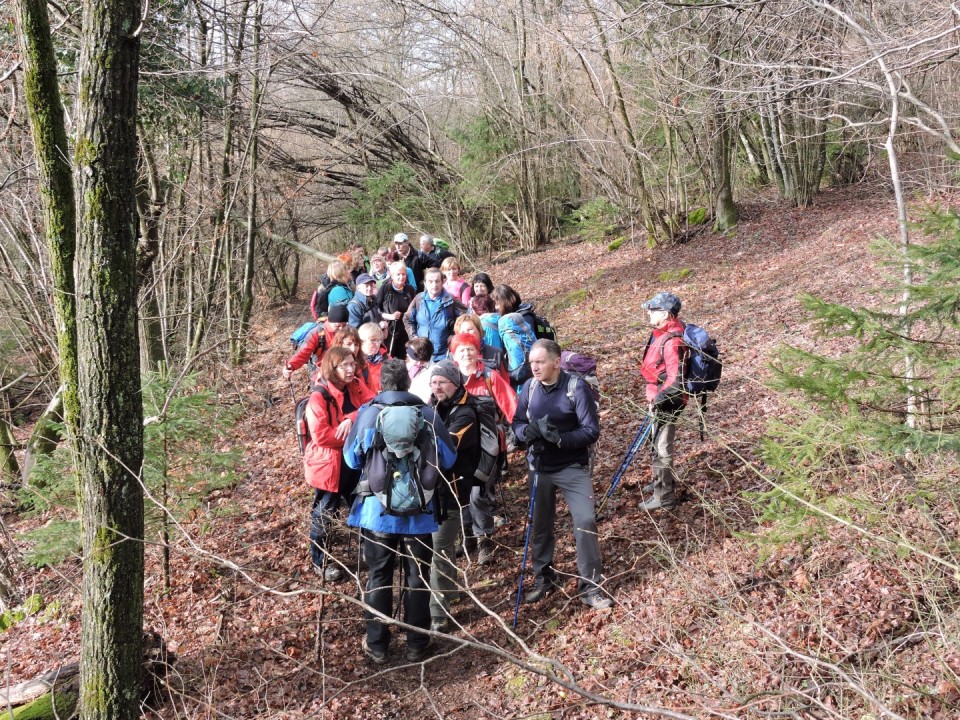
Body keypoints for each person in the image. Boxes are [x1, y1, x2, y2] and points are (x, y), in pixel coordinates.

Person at [344, 359, 457, 664]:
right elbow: (448, 458)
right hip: (419, 513)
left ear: (381, 385)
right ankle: (416, 644)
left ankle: (377, 644)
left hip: (376, 511)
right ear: (408, 384)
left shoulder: (369, 413)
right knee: (416, 576)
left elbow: (352, 460)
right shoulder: (428, 414)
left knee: (379, 574)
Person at [512, 339, 612, 610]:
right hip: (539, 467)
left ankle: (591, 586)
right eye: (532, 362)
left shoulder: (575, 388)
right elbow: (518, 422)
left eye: (540, 362)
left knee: (586, 520)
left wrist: (559, 440)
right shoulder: (529, 388)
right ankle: (544, 578)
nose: (534, 367)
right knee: (541, 526)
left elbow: (591, 431)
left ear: (556, 362)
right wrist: (526, 434)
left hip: (571, 467)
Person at [303, 346, 374, 581]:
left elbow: (371, 403)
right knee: (325, 512)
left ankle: (371, 552)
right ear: (332, 368)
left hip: (352, 458)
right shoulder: (318, 396)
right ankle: (320, 560)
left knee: (362, 503)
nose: (351, 369)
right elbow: (321, 435)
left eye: (352, 364)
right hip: (329, 463)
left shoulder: (353, 385)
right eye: (344, 365)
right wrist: (349, 433)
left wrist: (350, 419)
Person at [450, 332, 516, 564]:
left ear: (478, 351)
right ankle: (467, 536)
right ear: (453, 355)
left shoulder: (489, 376)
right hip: (459, 449)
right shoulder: (450, 378)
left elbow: (511, 405)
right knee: (460, 494)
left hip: (488, 448)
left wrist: (518, 434)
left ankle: (484, 540)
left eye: (470, 349)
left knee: (478, 494)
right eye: (461, 350)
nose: (466, 353)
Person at [427, 360, 480, 632]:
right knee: (442, 547)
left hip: (455, 490)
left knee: (439, 548)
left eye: (442, 382)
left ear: (456, 384)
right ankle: (451, 593)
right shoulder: (432, 406)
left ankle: (438, 613)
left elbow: (448, 444)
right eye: (433, 382)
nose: (437, 387)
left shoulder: (466, 412)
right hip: (431, 490)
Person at [638, 291, 687, 511]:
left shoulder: (672, 341)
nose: (648, 312)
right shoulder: (662, 334)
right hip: (658, 397)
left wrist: (659, 399)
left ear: (666, 314)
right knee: (655, 442)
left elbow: (675, 379)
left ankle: (664, 496)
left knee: (662, 446)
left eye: (653, 309)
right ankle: (659, 481)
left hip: (667, 401)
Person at [404, 268, 466, 362]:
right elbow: (407, 318)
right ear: (425, 283)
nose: (434, 285)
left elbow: (466, 319)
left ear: (442, 282)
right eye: (430, 281)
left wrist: (455, 335)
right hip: (420, 354)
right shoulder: (419, 299)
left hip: (443, 355)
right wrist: (414, 337)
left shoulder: (450, 300)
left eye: (437, 281)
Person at [283, 304, 350, 381]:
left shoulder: (348, 331)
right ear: (330, 321)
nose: (341, 329)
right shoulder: (316, 333)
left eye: (344, 325)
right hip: (322, 373)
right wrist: (291, 365)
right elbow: (303, 353)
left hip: (344, 371)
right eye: (337, 326)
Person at [375, 261, 417, 359]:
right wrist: (390, 316)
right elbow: (376, 309)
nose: (401, 277)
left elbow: (415, 308)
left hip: (406, 330)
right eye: (398, 274)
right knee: (390, 357)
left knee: (405, 357)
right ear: (392, 275)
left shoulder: (410, 289)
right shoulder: (385, 289)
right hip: (390, 331)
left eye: (403, 274)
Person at [358, 322, 388, 392]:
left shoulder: (386, 359)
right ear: (362, 341)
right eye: (373, 340)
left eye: (379, 340)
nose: (377, 344)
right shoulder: (354, 361)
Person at [405, 337, 435, 403]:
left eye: (410, 353)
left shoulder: (431, 374)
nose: (407, 354)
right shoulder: (410, 366)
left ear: (420, 356)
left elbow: (425, 399)